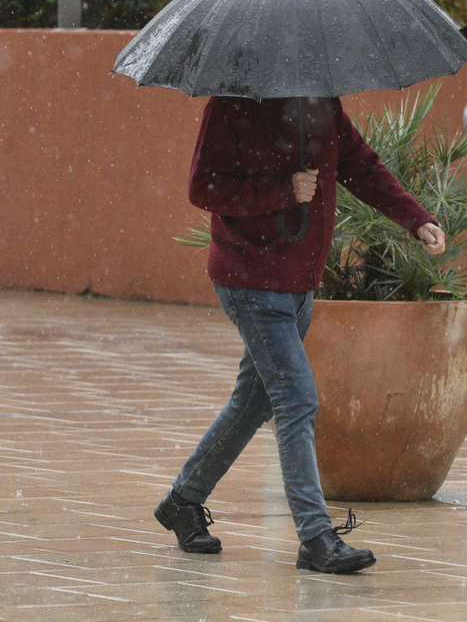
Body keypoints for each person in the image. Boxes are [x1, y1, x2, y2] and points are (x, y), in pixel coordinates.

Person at [155, 95, 446, 574]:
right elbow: (203, 187)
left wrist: (415, 217)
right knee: (296, 400)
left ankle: (182, 501)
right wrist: (281, 190)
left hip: (298, 283)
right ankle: (315, 537)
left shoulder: (319, 101)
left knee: (253, 402)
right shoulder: (231, 106)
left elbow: (360, 164)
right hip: (249, 280)